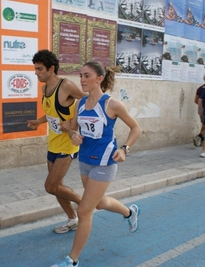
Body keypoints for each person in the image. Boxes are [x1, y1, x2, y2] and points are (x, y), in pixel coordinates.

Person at [52, 61, 141, 267]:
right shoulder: (80, 104)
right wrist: (73, 134)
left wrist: (124, 149)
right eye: (81, 75)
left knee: (84, 211)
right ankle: (130, 212)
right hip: (84, 161)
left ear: (99, 79)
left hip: (105, 163)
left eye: (87, 76)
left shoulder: (112, 105)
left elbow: (136, 128)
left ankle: (72, 260)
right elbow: (74, 129)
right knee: (100, 203)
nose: (82, 80)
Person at [28, 50, 86, 234]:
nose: (36, 73)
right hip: (52, 143)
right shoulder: (44, 88)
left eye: (39, 69)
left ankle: (86, 205)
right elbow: (52, 112)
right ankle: (72, 219)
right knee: (56, 188)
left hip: (68, 143)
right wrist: (39, 121)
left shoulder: (66, 86)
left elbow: (87, 101)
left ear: (51, 68)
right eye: (35, 69)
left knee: (50, 186)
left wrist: (72, 122)